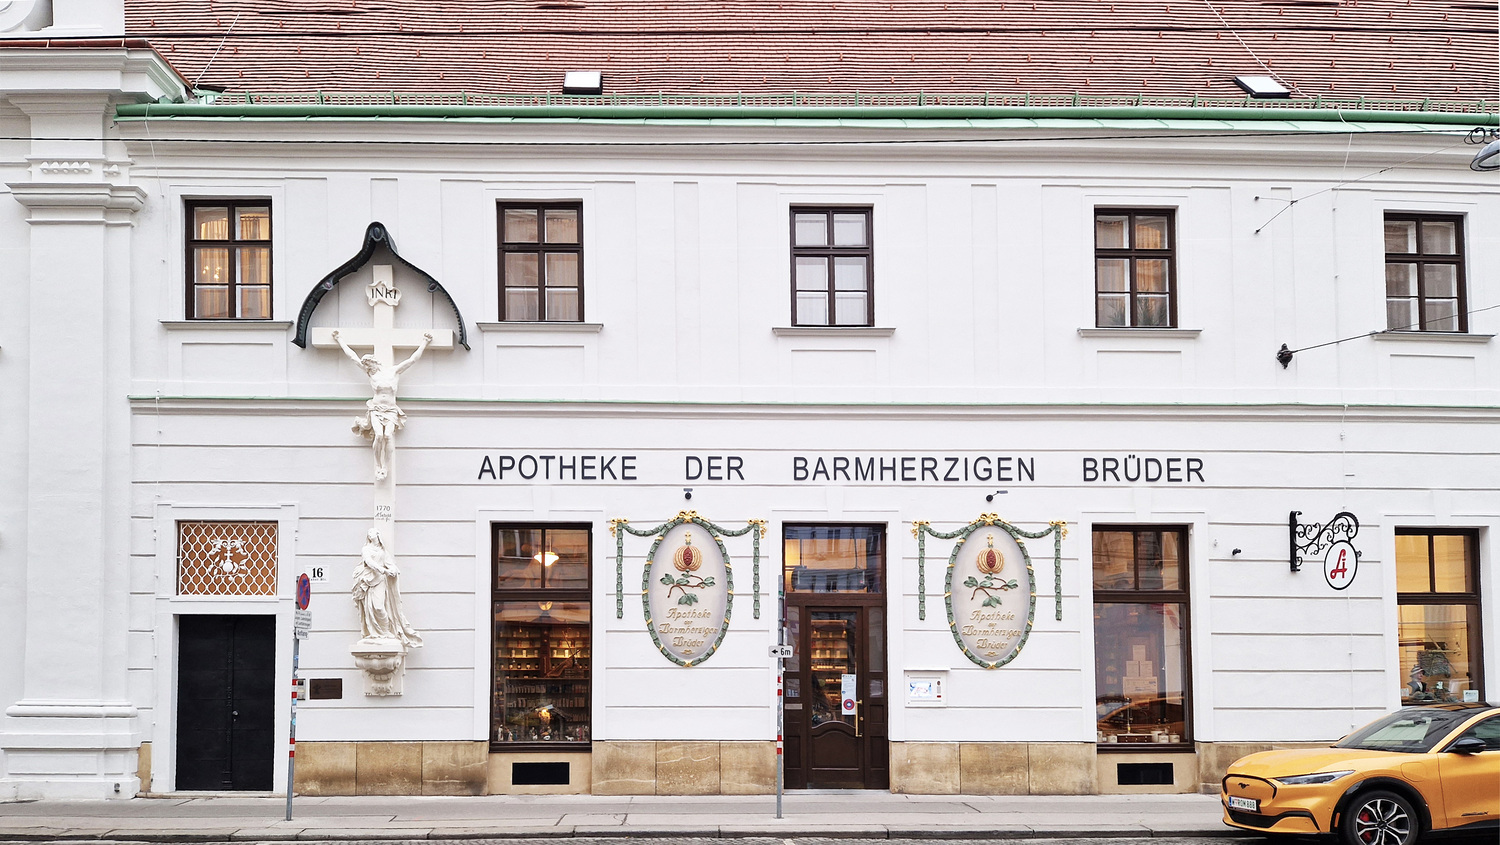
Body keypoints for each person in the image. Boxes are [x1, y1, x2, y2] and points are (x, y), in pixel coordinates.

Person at [332, 330, 433, 480]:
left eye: (369, 365)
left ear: (374, 362)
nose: (367, 368)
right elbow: (353, 357)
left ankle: (385, 466)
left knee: (388, 435)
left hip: (391, 410)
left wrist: (424, 342)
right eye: (366, 367)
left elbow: (412, 360)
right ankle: (378, 465)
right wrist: (339, 340)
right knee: (379, 435)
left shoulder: (394, 372)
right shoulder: (371, 375)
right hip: (376, 409)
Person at [352, 527, 423, 648]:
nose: (370, 534)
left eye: (372, 532)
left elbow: (391, 565)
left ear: (377, 535)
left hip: (380, 581)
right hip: (369, 580)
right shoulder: (366, 549)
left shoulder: (383, 552)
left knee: (379, 606)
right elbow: (369, 562)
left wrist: (393, 571)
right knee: (371, 607)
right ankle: (375, 633)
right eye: (368, 533)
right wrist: (383, 570)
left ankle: (385, 631)